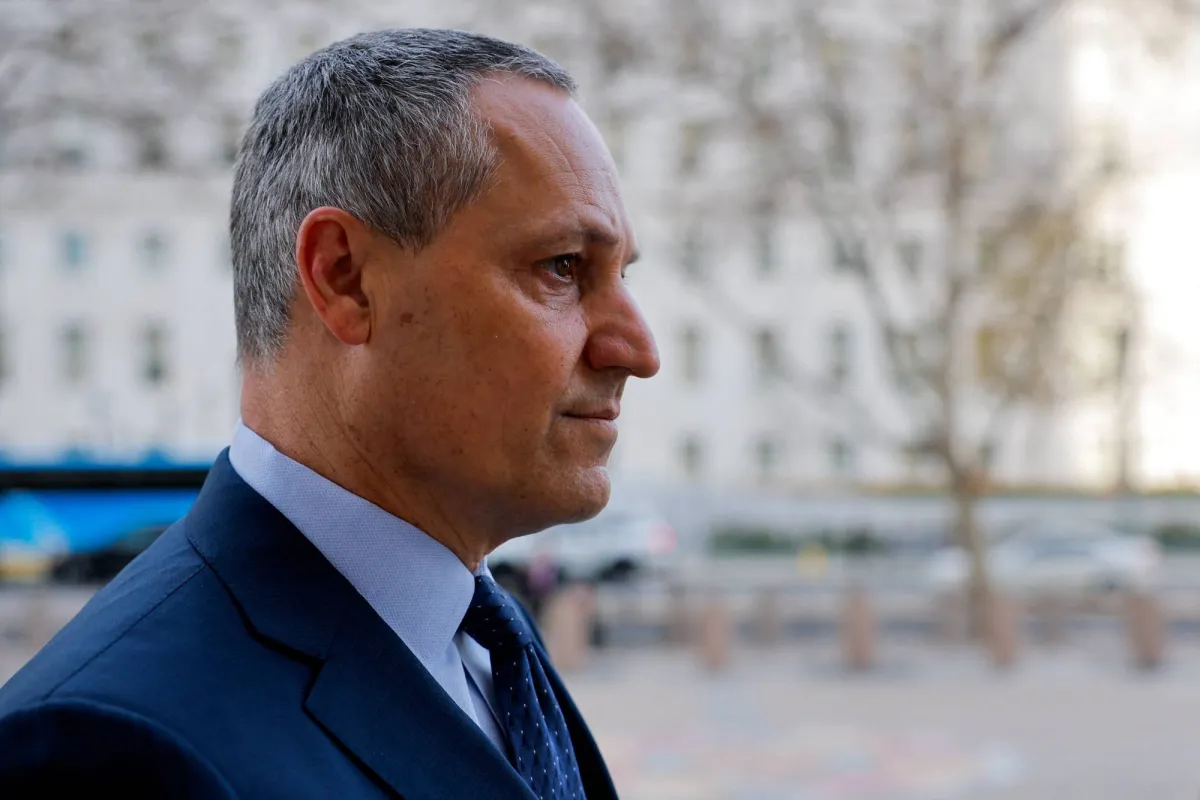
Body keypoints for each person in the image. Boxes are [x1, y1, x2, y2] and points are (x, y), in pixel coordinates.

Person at [0, 28, 658, 798]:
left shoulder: (485, 638)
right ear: (344, 278)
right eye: (562, 268)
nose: (637, 349)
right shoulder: (106, 751)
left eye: (622, 275)